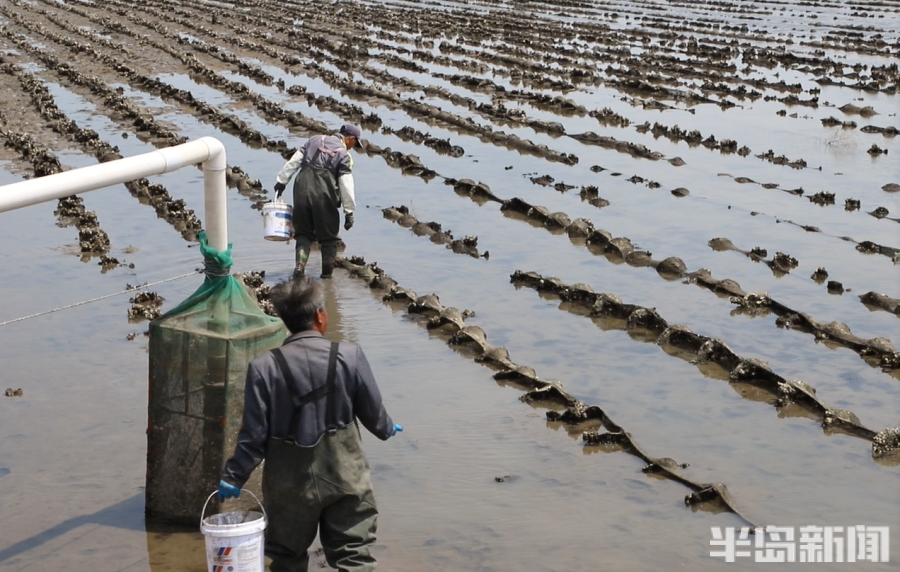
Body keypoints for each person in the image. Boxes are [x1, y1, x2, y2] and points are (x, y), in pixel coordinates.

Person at [218, 276, 402, 572]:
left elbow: (253, 436)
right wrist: (387, 427)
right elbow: (375, 416)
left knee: (287, 555)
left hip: (289, 483)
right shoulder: (349, 356)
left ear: (285, 321)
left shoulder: (263, 368)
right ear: (320, 315)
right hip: (345, 475)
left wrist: (234, 476)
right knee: (353, 554)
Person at [273, 124, 362, 279]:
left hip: (301, 189)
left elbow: (294, 162)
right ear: (350, 138)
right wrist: (349, 212)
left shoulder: (314, 140)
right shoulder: (343, 155)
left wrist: (281, 182)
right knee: (329, 238)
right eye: (355, 143)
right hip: (324, 194)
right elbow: (346, 185)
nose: (353, 147)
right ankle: (327, 278)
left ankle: (299, 268)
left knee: (303, 234)